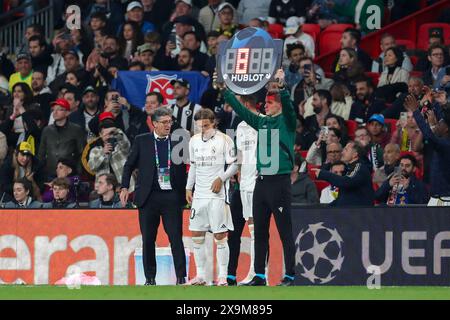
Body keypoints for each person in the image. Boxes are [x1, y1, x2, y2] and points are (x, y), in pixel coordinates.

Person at [222, 69, 298, 286]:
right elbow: (239, 109)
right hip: (261, 183)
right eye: (265, 102)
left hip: (280, 182)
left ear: (279, 105)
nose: (265, 105)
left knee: (285, 230)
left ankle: (290, 274)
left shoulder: (287, 122)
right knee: (261, 231)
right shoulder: (261, 123)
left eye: (270, 103)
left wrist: (281, 88)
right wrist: (226, 91)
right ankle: (260, 275)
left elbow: (290, 109)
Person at [120, 107, 188, 285]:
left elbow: (188, 167)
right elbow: (128, 166)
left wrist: (188, 189)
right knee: (148, 239)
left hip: (172, 196)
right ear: (154, 123)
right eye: (164, 122)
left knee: (175, 237)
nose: (168, 125)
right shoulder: (142, 141)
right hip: (148, 197)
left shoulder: (178, 140)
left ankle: (181, 277)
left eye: (170, 121)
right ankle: (150, 278)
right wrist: (124, 187)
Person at [186, 108, 237, 286]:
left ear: (213, 123)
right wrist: (188, 187)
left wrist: (221, 178)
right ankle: (200, 276)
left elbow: (234, 165)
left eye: (206, 126)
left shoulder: (225, 140)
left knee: (220, 235)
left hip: (217, 195)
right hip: (199, 195)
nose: (203, 130)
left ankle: (223, 276)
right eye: (199, 126)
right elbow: (193, 166)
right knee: (196, 234)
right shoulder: (193, 141)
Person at [227, 94, 259, 286]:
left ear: (246, 103)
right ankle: (251, 273)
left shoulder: (262, 123)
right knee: (247, 228)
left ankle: (256, 273)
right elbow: (239, 155)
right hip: (243, 183)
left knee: (256, 231)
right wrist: (234, 170)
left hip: (257, 183)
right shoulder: (240, 126)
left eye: (238, 102)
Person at [405, 94, 450, 206]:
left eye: (440, 123)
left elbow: (430, 136)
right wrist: (434, 101)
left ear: (446, 129)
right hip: (437, 197)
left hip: (445, 199)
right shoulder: (443, 141)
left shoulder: (445, 144)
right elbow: (443, 119)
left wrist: (416, 111)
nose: (437, 123)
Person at [312, 141, 374, 206]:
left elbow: (347, 182)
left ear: (355, 154)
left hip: (360, 213)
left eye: (346, 150)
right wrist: (326, 208)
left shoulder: (359, 167)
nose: (342, 152)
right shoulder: (349, 169)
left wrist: (324, 174)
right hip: (348, 212)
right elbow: (344, 198)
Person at [38, 98, 86, 179]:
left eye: (59, 109)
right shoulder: (47, 130)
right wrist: (41, 172)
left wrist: (78, 171)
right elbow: (41, 153)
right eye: (53, 109)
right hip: (49, 173)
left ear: (67, 113)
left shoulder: (76, 129)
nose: (55, 112)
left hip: (69, 173)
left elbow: (82, 152)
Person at [88, 114, 134, 191]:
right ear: (100, 135)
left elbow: (126, 144)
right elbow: (92, 167)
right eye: (106, 134)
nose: (109, 137)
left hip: (125, 188)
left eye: (111, 134)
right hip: (105, 190)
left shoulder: (120, 146)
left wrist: (116, 131)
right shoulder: (95, 150)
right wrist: (103, 153)